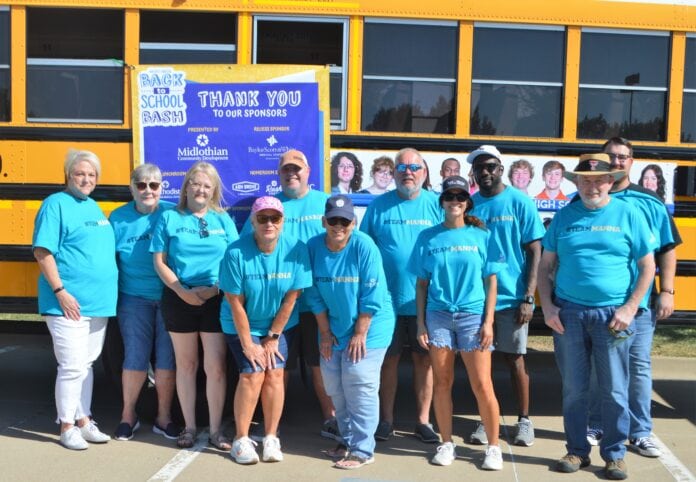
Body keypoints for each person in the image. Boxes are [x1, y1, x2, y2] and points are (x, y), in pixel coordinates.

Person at [538, 153, 657, 480]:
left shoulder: (629, 213)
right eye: (585, 180)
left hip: (614, 316)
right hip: (569, 314)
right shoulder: (564, 218)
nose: (592, 185)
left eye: (598, 179)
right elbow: (545, 266)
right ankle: (577, 451)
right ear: (577, 182)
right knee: (574, 389)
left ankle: (615, 455)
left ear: (610, 181)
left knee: (615, 389)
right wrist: (547, 307)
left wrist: (631, 307)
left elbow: (648, 267)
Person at [585, 138, 681, 458]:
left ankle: (640, 431)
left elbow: (666, 248)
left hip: (638, 304)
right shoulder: (590, 194)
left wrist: (666, 291)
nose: (617, 161)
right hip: (600, 304)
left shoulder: (649, 201)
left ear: (632, 162)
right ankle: (598, 424)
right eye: (611, 156)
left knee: (638, 367)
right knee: (603, 367)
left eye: (623, 157)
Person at [240, 149, 336, 442]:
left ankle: (330, 419)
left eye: (297, 169)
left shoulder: (324, 203)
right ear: (278, 175)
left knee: (320, 362)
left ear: (309, 172)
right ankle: (272, 423)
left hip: (318, 301)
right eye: (285, 170)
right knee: (279, 366)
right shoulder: (268, 207)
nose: (291, 174)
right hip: (276, 305)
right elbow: (246, 243)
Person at [412, 176, 504, 470]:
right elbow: (422, 285)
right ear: (441, 202)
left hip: (472, 317)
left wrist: (488, 322)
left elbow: (491, 281)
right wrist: (421, 324)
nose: (455, 202)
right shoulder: (428, 237)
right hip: (438, 317)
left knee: (482, 384)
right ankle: (447, 443)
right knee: (442, 382)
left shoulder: (482, 236)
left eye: (460, 197)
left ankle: (493, 447)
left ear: (467, 202)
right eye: (449, 197)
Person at [32, 149, 117, 450]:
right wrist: (60, 291)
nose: (86, 179)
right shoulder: (55, 204)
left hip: (98, 304)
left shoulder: (93, 207)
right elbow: (43, 252)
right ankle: (66, 425)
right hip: (67, 304)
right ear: (68, 175)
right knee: (71, 366)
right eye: (80, 173)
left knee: (87, 364)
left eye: (92, 174)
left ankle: (84, 420)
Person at [151, 161, 239, 450]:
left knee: (216, 368)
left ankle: (215, 431)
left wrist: (215, 289)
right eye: (196, 183)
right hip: (179, 299)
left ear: (213, 190)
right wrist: (181, 290)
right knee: (186, 366)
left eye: (206, 185)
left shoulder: (223, 219)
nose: (200, 189)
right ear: (186, 185)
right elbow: (159, 262)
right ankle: (188, 427)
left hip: (216, 299)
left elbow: (234, 260)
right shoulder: (169, 218)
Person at [220, 196, 311, 464]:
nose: (269, 223)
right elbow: (234, 303)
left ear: (283, 222)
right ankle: (241, 440)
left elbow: (292, 297)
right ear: (252, 221)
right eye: (262, 218)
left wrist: (272, 337)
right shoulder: (235, 252)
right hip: (241, 322)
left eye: (275, 218)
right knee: (252, 374)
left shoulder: (297, 249)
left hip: (278, 325)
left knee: (275, 373)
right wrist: (248, 343)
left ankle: (271, 437)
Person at [306, 195, 395, 469]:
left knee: (358, 381)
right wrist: (324, 332)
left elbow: (372, 294)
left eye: (344, 221)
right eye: (333, 220)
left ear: (353, 223)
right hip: (334, 325)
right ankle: (346, 440)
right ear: (324, 221)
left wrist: (360, 334)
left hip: (372, 324)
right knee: (333, 381)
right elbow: (312, 293)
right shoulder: (313, 247)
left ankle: (363, 449)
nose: (338, 226)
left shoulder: (364, 246)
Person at [360, 147, 442, 443]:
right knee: (388, 361)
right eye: (402, 167)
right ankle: (386, 420)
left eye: (415, 167)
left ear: (424, 173)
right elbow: (364, 251)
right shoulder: (378, 206)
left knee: (425, 362)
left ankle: (423, 422)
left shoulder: (436, 204)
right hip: (386, 303)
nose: (408, 172)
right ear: (393, 173)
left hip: (426, 303)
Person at [467, 145, 545, 447]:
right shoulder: (470, 205)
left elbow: (535, 250)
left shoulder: (519, 202)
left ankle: (524, 420)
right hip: (477, 300)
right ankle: (487, 420)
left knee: (515, 360)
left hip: (512, 298)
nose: (485, 172)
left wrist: (529, 297)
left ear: (501, 169)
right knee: (480, 365)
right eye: (479, 168)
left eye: (490, 167)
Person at [110, 164, 178, 441]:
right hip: (132, 299)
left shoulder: (173, 213)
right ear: (131, 188)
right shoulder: (117, 218)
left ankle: (164, 418)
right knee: (135, 357)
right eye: (141, 185)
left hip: (171, 297)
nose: (148, 190)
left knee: (166, 360)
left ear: (162, 187)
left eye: (154, 185)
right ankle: (128, 416)